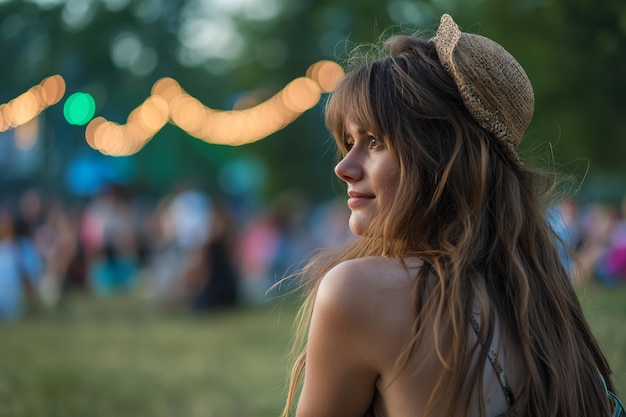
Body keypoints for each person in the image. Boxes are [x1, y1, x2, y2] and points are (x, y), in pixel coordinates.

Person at [281, 14, 624, 417]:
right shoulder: (541, 296)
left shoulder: (360, 292)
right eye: (347, 142)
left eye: (374, 141)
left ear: (441, 158)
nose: (344, 167)